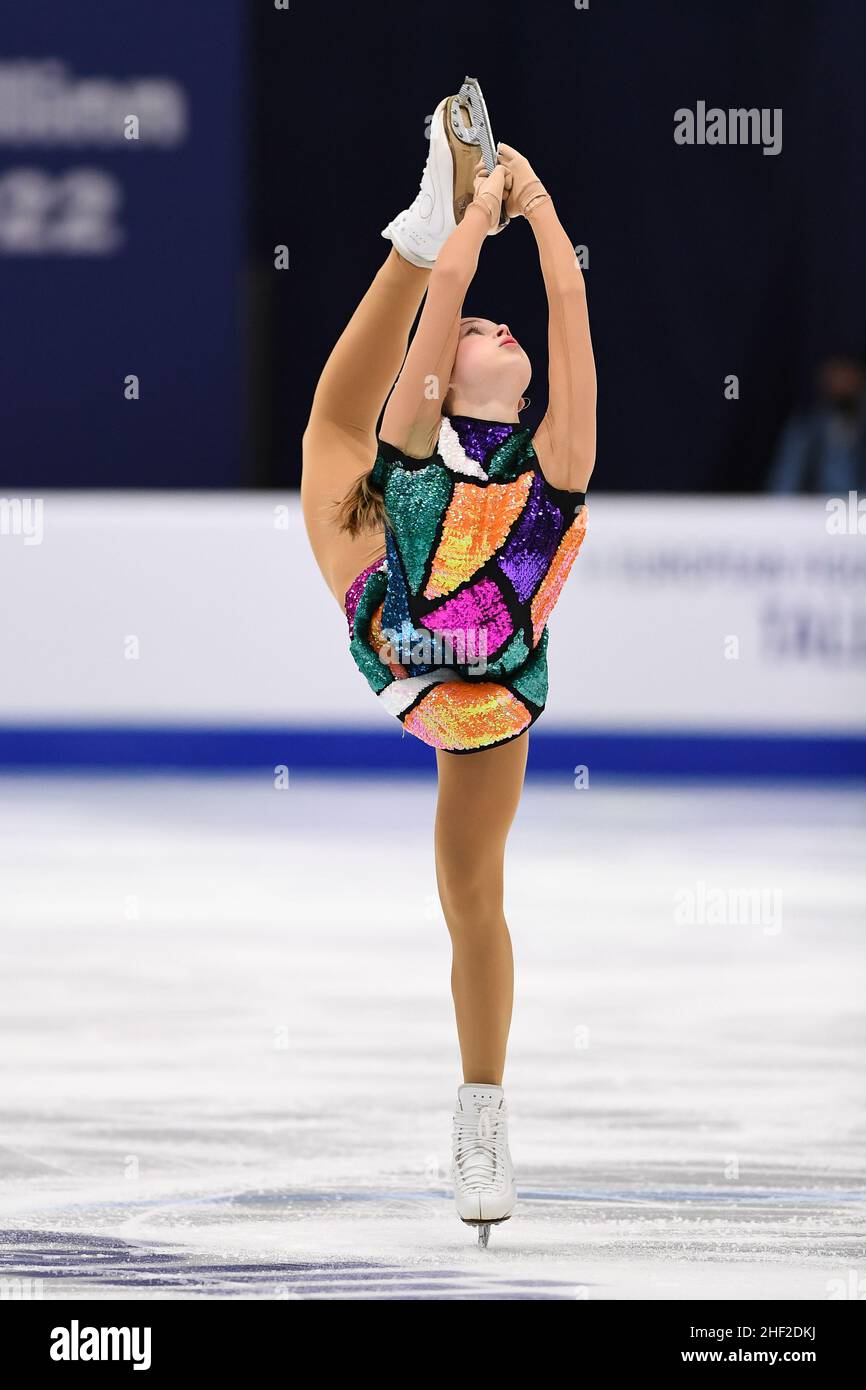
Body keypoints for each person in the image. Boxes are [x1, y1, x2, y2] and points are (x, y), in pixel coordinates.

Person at [301, 80, 596, 1245]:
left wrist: (527, 205)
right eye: (479, 330)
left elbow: (564, 297)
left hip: (486, 697)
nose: (494, 330)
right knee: (336, 435)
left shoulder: (555, 458)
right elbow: (425, 349)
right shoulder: (417, 447)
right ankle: (412, 238)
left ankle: (482, 1109)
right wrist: (464, 234)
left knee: (472, 898)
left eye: (490, 327)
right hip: (403, 625)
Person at [767, 354, 866, 494]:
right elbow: (783, 488)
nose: (842, 380)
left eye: (848, 372)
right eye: (836, 372)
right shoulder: (805, 429)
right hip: (814, 512)